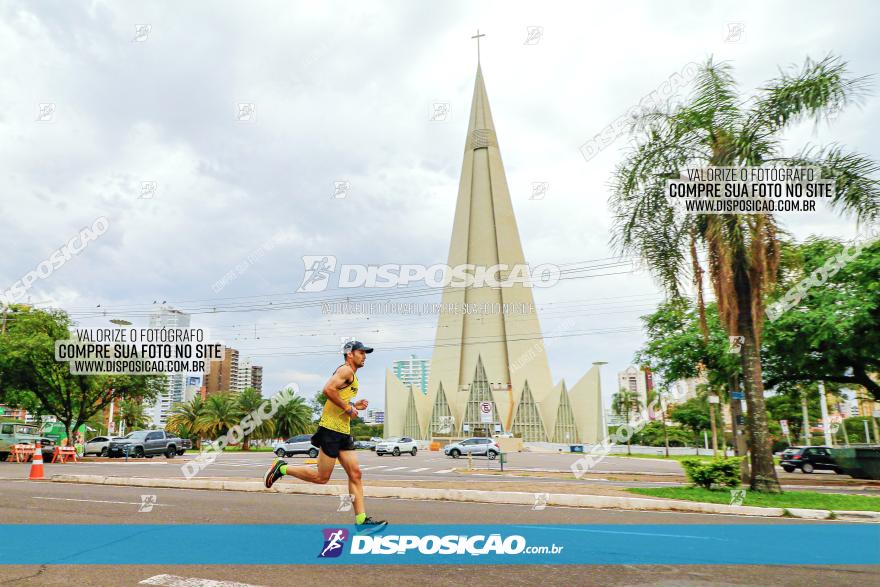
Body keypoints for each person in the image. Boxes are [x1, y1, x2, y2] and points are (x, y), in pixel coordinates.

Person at [264, 340, 387, 533]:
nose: (364, 356)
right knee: (322, 478)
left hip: (343, 431)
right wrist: (348, 407)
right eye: (361, 353)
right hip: (331, 430)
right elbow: (328, 390)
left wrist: (354, 406)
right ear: (350, 354)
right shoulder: (345, 370)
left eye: (365, 353)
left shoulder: (352, 376)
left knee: (356, 474)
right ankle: (282, 468)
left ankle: (362, 522)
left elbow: (339, 398)